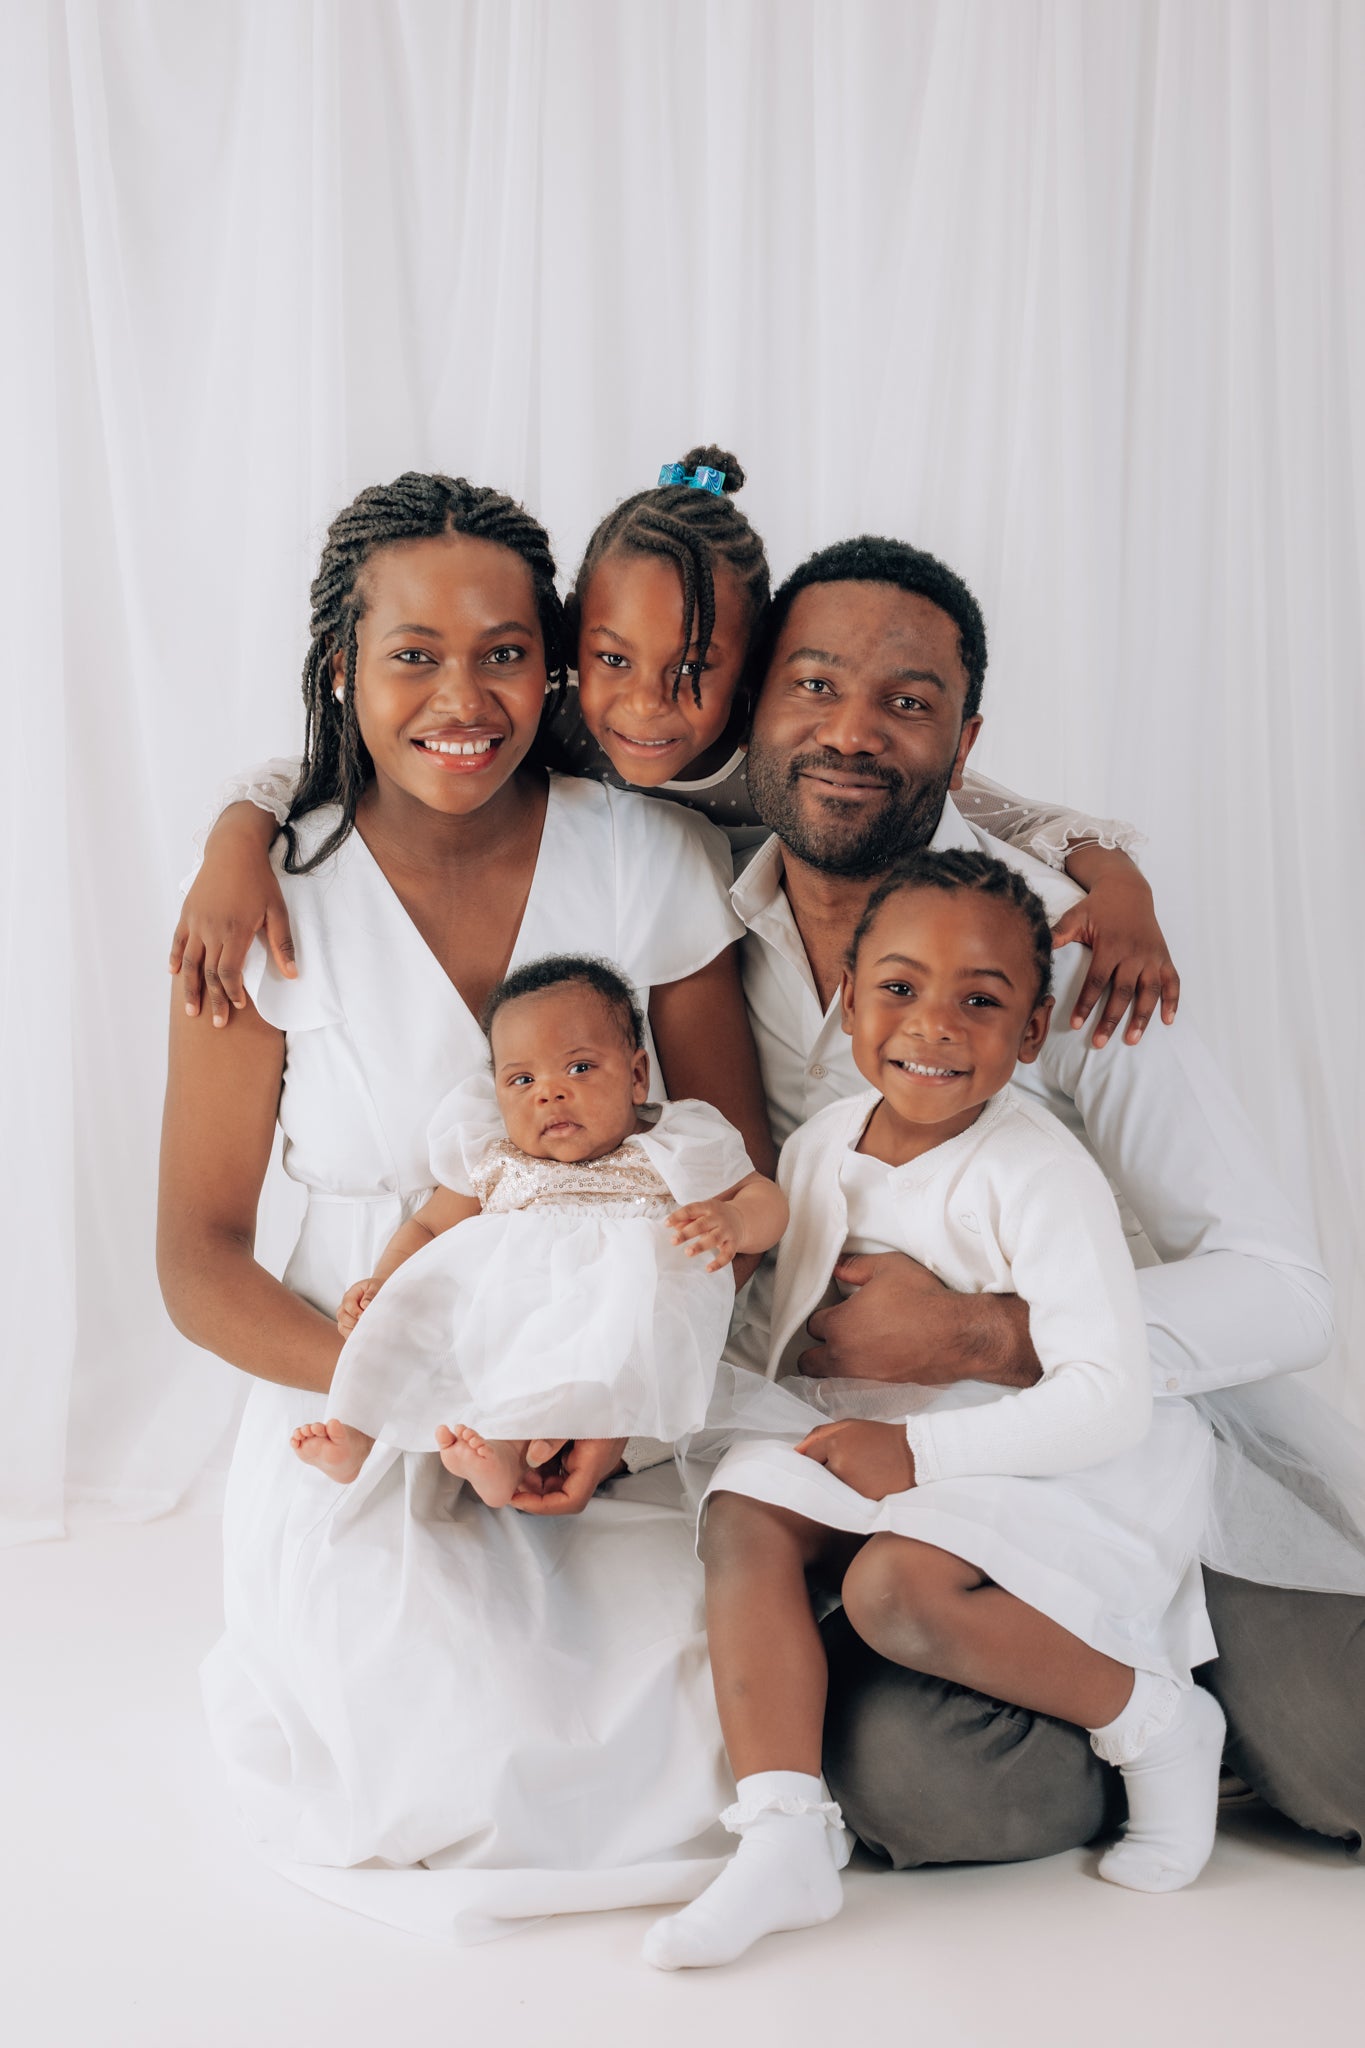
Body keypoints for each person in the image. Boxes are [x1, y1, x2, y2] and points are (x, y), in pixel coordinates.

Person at [157, 470, 776, 1941]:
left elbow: (728, 1186)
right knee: (436, 1766)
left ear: (552, 662)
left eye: (504, 650)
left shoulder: (647, 859)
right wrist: (435, 1400)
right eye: (412, 654)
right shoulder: (265, 901)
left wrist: (598, 1405)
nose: (465, 695)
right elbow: (196, 1259)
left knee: (698, 1734)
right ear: (340, 673)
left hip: (625, 1383)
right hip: (362, 1394)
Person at [727, 534, 1365, 1861]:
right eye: (813, 686)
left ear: (964, 749)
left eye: (907, 704)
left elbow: (1282, 1288)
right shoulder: (702, 911)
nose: (849, 733)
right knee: (914, 1793)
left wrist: (985, 1334)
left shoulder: (1064, 949)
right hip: (932, 1499)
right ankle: (1130, 1716)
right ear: (753, 706)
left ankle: (1217, 1684)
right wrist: (240, 825)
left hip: (1130, 1447)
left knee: (1345, 1768)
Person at [646, 851, 1221, 1969]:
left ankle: (1155, 1718)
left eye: (982, 999)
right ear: (850, 1000)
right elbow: (788, 1338)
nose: (935, 1026)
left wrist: (916, 1449)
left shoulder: (1039, 1172)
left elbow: (1108, 1397)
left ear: (1033, 1025)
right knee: (743, 1508)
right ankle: (783, 1832)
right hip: (872, 1437)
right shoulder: (820, 1144)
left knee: (895, 1588)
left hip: (1033, 1451)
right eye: (899, 989)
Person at [171, 448, 1179, 1053]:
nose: (648, 706)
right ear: (570, 647)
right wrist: (234, 843)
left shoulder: (774, 752)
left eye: (693, 670)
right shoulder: (543, 717)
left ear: (752, 676)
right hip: (646, 966)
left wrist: (1115, 879)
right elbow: (325, 761)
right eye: (614, 658)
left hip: (771, 954)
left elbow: (994, 804)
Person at [292, 953, 785, 1505]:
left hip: (611, 1317)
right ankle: (354, 1433)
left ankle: (507, 1458)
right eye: (522, 1079)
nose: (548, 1093)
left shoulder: (675, 1143)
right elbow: (429, 1228)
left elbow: (763, 1196)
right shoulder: (496, 1156)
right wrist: (384, 1281)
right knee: (404, 1324)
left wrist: (737, 1221)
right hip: (503, 1309)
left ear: (637, 1075)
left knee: (553, 1379)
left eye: (578, 1068)